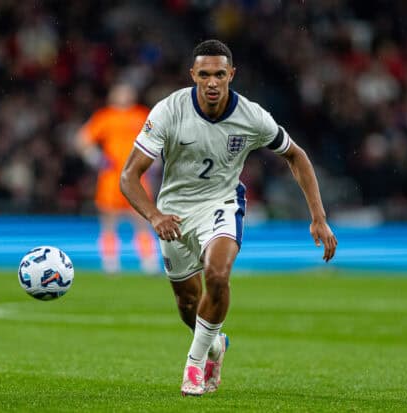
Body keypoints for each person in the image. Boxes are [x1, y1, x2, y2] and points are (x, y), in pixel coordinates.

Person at [120, 40, 337, 396]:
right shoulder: (168, 111)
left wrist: (318, 216)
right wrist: (154, 215)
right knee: (187, 302)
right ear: (193, 75)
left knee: (217, 274)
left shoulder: (252, 116)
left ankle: (194, 365)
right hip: (174, 210)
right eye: (204, 74)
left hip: (221, 204)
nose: (212, 82)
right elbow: (128, 176)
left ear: (231, 75)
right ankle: (215, 345)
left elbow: (296, 156)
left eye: (220, 74)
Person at [76, 83, 159, 274]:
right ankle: (110, 263)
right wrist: (96, 158)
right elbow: (82, 139)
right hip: (111, 178)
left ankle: (149, 262)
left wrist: (153, 162)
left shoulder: (141, 115)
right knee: (109, 222)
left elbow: (158, 139)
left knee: (143, 220)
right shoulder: (105, 117)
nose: (123, 96)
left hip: (137, 177)